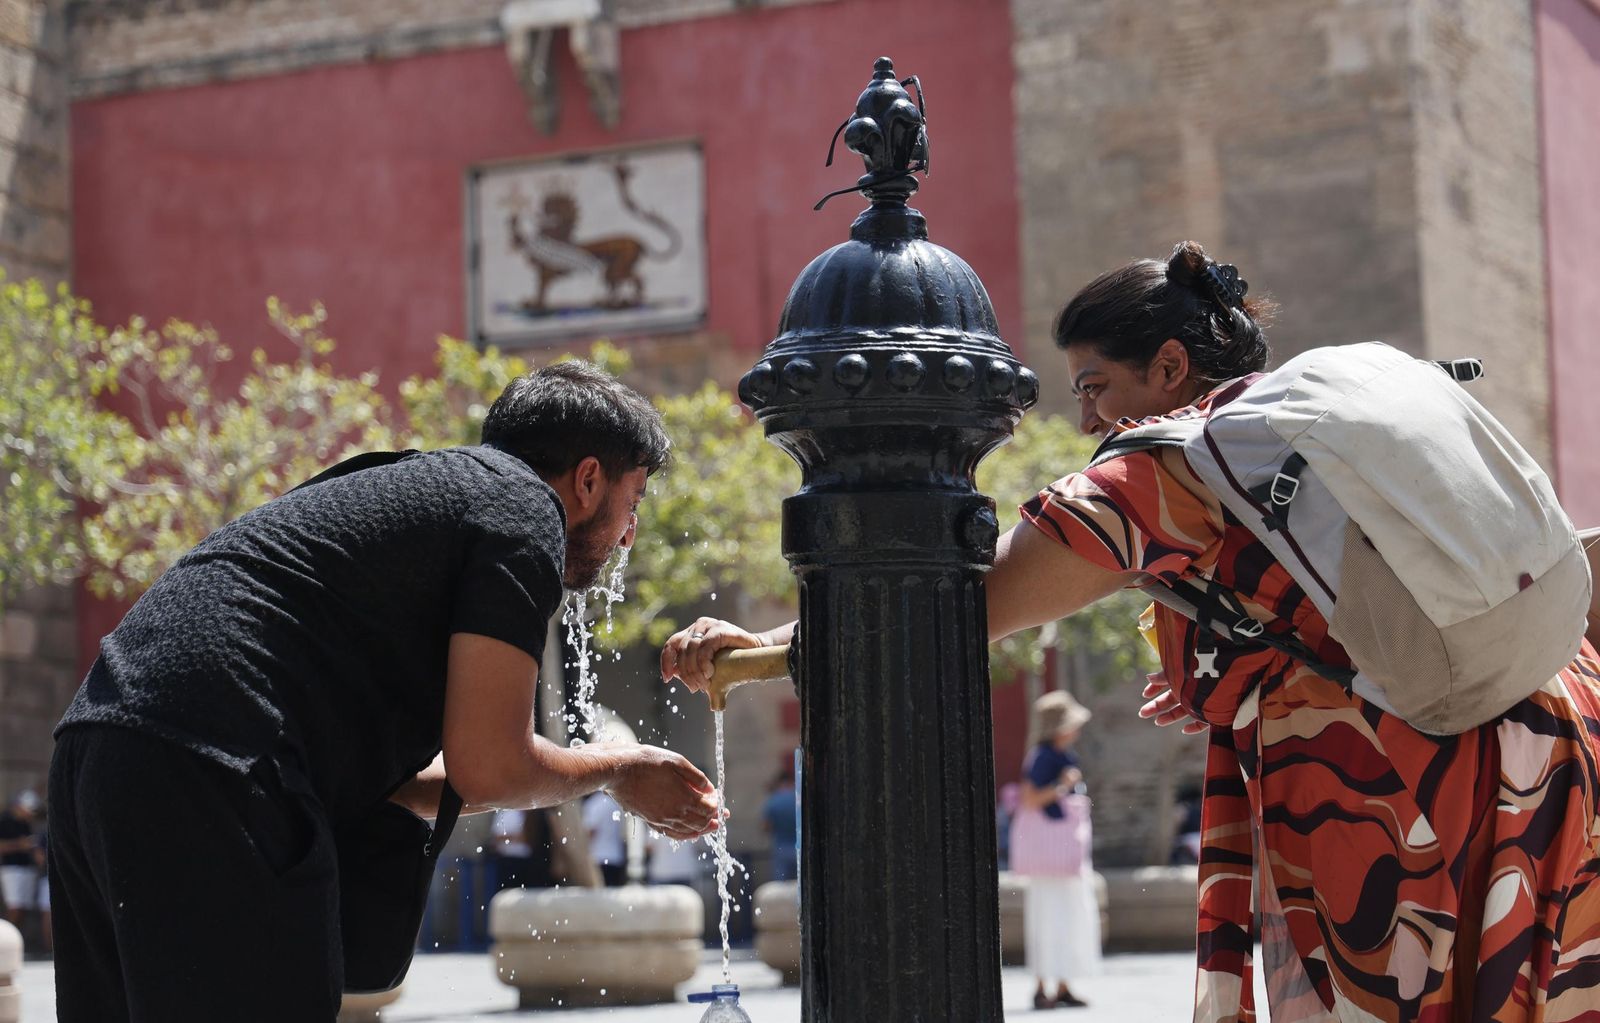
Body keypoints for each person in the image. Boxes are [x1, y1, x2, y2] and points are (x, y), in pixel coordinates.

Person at [661, 242, 1600, 1021]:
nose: (1086, 420)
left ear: (1169, 369)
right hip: (1548, 724)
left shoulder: (1166, 465)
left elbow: (944, 607)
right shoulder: (1297, 436)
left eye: (1094, 384)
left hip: (1395, 780)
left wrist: (752, 653)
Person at [48, 360, 722, 1022]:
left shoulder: (413, 497)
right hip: (217, 763)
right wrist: (622, 767)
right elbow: (490, 765)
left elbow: (417, 782)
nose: (629, 534)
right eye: (631, 504)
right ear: (587, 479)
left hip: (99, 745)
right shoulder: (524, 508)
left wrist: (594, 779)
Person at [1010, 690, 1100, 1010]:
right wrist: (1063, 784)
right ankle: (1042, 986)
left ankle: (1061, 985)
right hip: (1050, 858)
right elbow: (1030, 799)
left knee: (1067, 916)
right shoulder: (1045, 758)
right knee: (1048, 917)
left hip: (1062, 856)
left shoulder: (1062, 755)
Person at [0, 791, 41, 933]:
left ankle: (17, 942)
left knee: (23, 908)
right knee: (14, 907)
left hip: (27, 869)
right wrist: (19, 845)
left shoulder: (26, 824)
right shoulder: (4, 821)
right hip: (11, 869)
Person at [583, 789, 628, 886]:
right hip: (616, 856)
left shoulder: (594, 804)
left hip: (599, 857)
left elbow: (590, 832)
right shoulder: (616, 804)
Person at [760, 770, 798, 883]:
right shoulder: (797, 798)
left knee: (781, 886)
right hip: (799, 848)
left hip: (781, 848)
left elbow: (766, 826)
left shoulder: (773, 801)